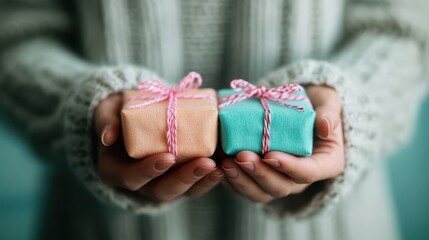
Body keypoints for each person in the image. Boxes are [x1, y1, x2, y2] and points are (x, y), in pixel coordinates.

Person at [0, 0, 427, 239]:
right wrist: (76, 109)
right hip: (100, 226)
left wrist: (349, 108)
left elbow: (407, 26)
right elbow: (15, 30)